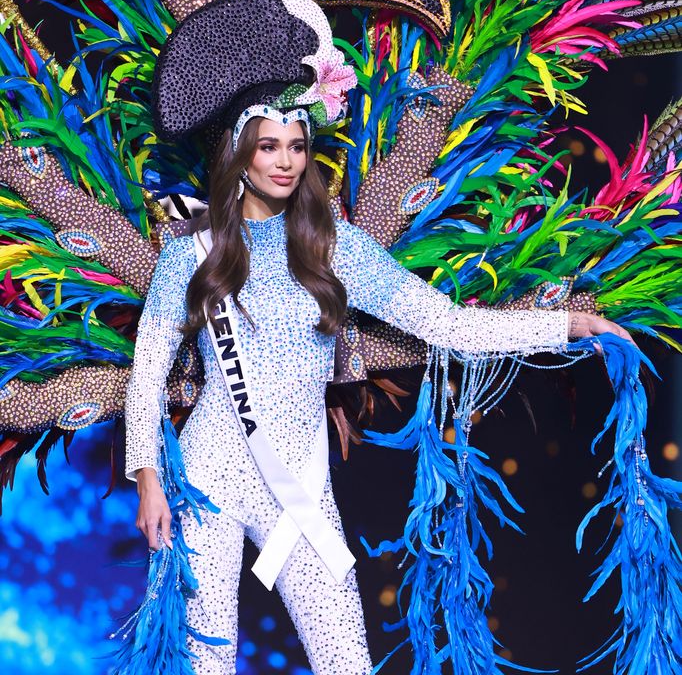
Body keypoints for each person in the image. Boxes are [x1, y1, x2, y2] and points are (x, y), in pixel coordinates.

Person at [125, 107, 632, 675]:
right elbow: (147, 375)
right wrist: (148, 480)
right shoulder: (190, 255)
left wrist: (564, 325)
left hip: (299, 481)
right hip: (206, 479)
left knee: (346, 662)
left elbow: (449, 325)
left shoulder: (335, 247)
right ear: (240, 156)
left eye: (297, 146)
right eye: (269, 147)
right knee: (203, 665)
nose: (286, 161)